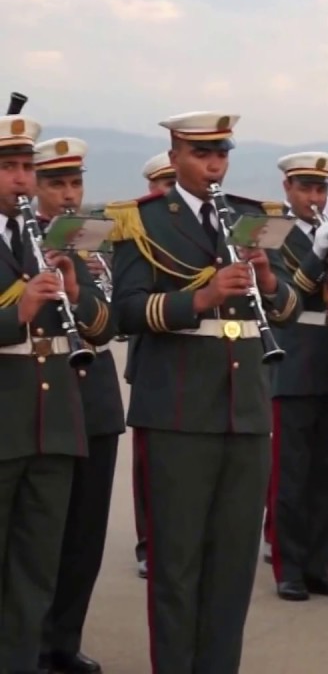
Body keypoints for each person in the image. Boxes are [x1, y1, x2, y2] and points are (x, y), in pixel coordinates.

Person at [107, 110, 302, 672]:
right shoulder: (143, 221)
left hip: (246, 408)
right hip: (178, 409)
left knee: (234, 561)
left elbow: (287, 308)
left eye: (221, 154)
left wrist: (267, 281)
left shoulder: (248, 217)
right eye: (201, 154)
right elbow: (123, 311)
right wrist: (199, 299)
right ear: (174, 158)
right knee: (178, 560)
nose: (214, 165)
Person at [0, 111, 112, 674]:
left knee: (35, 568)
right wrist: (13, 312)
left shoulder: (52, 239)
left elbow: (101, 323)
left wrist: (73, 291)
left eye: (26, 167)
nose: (21, 180)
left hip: (54, 423)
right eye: (10, 169)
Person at [29, 137, 124, 674]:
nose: (68, 195)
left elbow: (108, 324)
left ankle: (64, 639)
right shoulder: (20, 240)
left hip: (94, 402)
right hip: (41, 400)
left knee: (85, 535)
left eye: (74, 183)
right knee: (43, 534)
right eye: (55, 183)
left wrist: (78, 290)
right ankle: (31, 643)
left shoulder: (89, 246)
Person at [264, 152, 328, 602]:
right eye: (305, 188)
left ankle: (318, 564)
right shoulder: (274, 235)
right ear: (287, 188)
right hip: (293, 364)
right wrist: (317, 251)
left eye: (320, 189)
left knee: (327, 475)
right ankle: (288, 568)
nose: (313, 197)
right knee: (292, 476)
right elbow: (284, 298)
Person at [131, 151, 175, 579]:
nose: (168, 192)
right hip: (153, 357)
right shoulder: (143, 227)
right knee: (149, 465)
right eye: (162, 185)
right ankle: (148, 542)